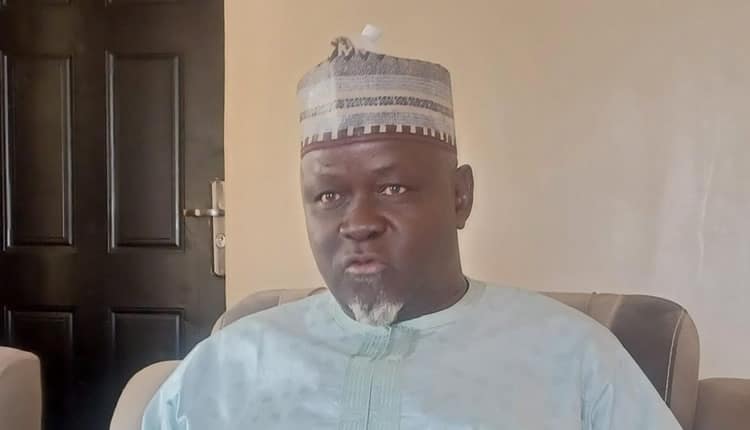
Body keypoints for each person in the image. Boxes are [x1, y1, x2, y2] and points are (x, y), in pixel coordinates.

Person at [142, 34, 682, 429]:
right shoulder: (227, 366)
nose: (359, 223)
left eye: (393, 187)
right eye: (329, 196)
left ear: (459, 196)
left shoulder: (573, 358)